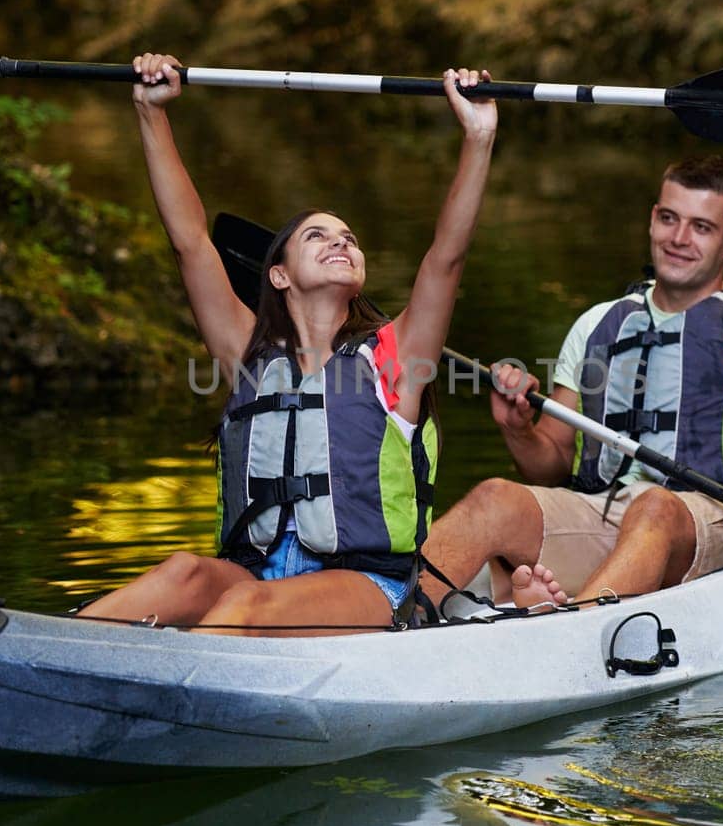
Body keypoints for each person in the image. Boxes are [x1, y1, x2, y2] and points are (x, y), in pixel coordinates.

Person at [79, 52, 497, 635]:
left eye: (349, 238)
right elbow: (192, 244)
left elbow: (446, 259)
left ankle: (174, 685)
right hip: (253, 574)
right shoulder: (247, 357)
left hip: (366, 586)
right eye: (317, 236)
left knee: (242, 611)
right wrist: (151, 113)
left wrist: (478, 138)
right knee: (184, 574)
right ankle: (46, 652)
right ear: (278, 274)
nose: (341, 243)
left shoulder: (394, 357)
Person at [419, 154, 723, 612]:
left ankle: (571, 632)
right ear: (652, 219)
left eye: (701, 227)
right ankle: (385, 617)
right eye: (668, 218)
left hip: (714, 516)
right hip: (601, 508)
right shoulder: (598, 324)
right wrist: (518, 430)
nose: (679, 239)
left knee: (654, 507)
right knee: (492, 498)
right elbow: (552, 464)